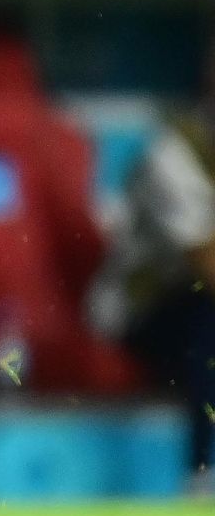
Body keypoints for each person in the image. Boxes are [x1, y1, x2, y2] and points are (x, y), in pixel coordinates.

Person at [91, 36, 215, 492]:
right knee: (209, 318)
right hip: (139, 317)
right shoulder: (173, 154)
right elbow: (208, 266)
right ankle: (201, 472)